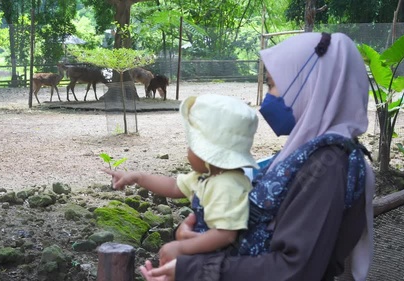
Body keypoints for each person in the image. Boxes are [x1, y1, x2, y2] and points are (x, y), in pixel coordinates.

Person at [139, 32, 375, 281]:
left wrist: (193, 270)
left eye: (272, 84)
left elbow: (295, 269)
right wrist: (195, 240)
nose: (267, 98)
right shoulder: (305, 153)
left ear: (311, 86)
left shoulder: (327, 167)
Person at [104, 93, 259, 265]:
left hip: (223, 264)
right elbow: (173, 187)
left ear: (206, 152)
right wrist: (138, 177)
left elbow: (225, 234)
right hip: (208, 257)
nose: (187, 151)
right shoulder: (207, 176)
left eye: (191, 145)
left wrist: (181, 248)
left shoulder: (227, 185)